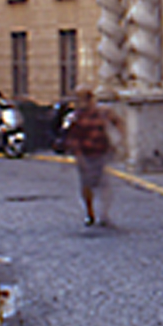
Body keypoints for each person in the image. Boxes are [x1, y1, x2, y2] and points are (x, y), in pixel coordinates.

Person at [62, 89, 121, 227]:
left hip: (100, 151)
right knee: (88, 183)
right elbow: (71, 137)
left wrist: (117, 141)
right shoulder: (75, 116)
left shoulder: (101, 112)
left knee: (100, 183)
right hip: (86, 153)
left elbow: (117, 122)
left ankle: (101, 213)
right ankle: (92, 212)